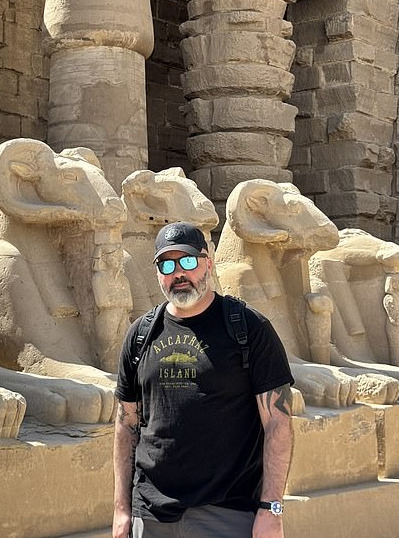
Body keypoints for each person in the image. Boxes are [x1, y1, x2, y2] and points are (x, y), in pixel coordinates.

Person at [113, 222, 294, 538]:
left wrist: (272, 509)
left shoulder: (247, 328)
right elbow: (126, 427)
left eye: (187, 261)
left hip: (226, 513)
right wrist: (121, 510)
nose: (178, 273)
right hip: (151, 515)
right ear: (158, 272)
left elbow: (278, 425)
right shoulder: (141, 334)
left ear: (207, 262)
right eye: (167, 265)